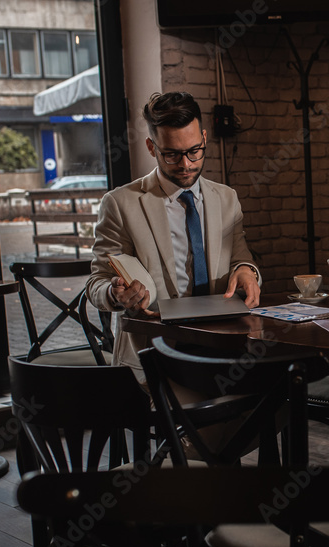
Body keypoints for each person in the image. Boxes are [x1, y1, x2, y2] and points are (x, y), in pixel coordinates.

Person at [86, 91, 261, 383]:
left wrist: (246, 271)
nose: (186, 164)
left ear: (204, 138)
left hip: (224, 347)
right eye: (172, 154)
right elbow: (97, 283)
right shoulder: (120, 203)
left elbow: (241, 259)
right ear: (151, 147)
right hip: (155, 354)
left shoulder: (227, 198)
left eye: (194, 151)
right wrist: (115, 293)